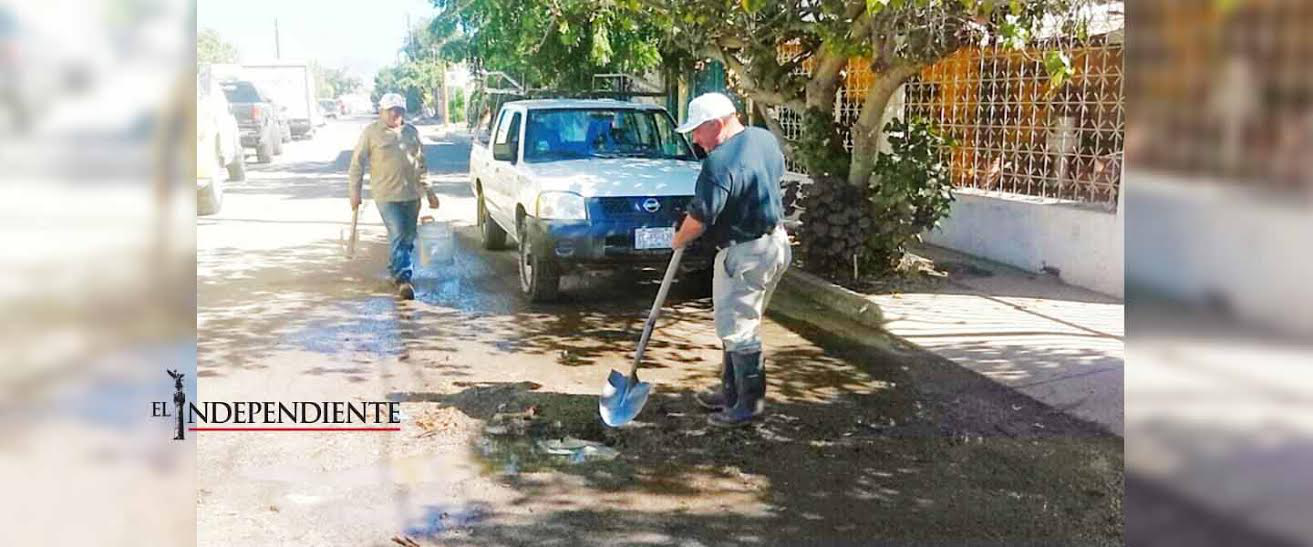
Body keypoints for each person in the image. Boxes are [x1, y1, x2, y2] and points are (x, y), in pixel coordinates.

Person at [671, 93, 791, 428]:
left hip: (746, 253)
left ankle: (748, 406)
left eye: (697, 131)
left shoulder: (719, 161)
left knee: (738, 328)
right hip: (776, 244)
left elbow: (701, 216)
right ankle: (731, 392)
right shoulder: (763, 139)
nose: (694, 139)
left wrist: (678, 238)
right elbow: (769, 178)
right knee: (740, 323)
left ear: (716, 123)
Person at [348, 93, 440, 299]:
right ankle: (403, 279)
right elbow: (357, 164)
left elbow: (421, 164)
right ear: (382, 112)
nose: (395, 114)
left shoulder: (411, 132)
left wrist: (430, 192)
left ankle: (395, 268)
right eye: (391, 110)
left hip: (412, 194)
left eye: (399, 110)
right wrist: (354, 192)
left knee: (407, 238)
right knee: (398, 234)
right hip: (386, 196)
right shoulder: (371, 133)